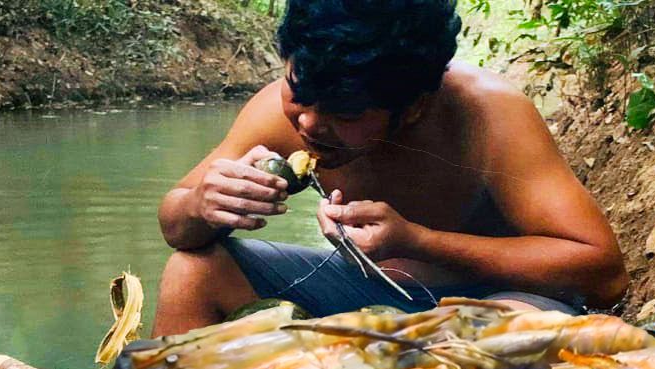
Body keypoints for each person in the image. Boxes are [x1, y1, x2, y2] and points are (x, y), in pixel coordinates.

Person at [152, 0, 627, 336]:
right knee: (194, 269)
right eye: (298, 90)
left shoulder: (491, 117)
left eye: (347, 113)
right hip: (360, 291)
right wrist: (202, 204)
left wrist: (418, 241)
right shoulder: (280, 115)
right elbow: (177, 227)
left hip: (495, 301)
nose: (310, 124)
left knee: (497, 331)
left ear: (414, 107)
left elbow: (603, 275)